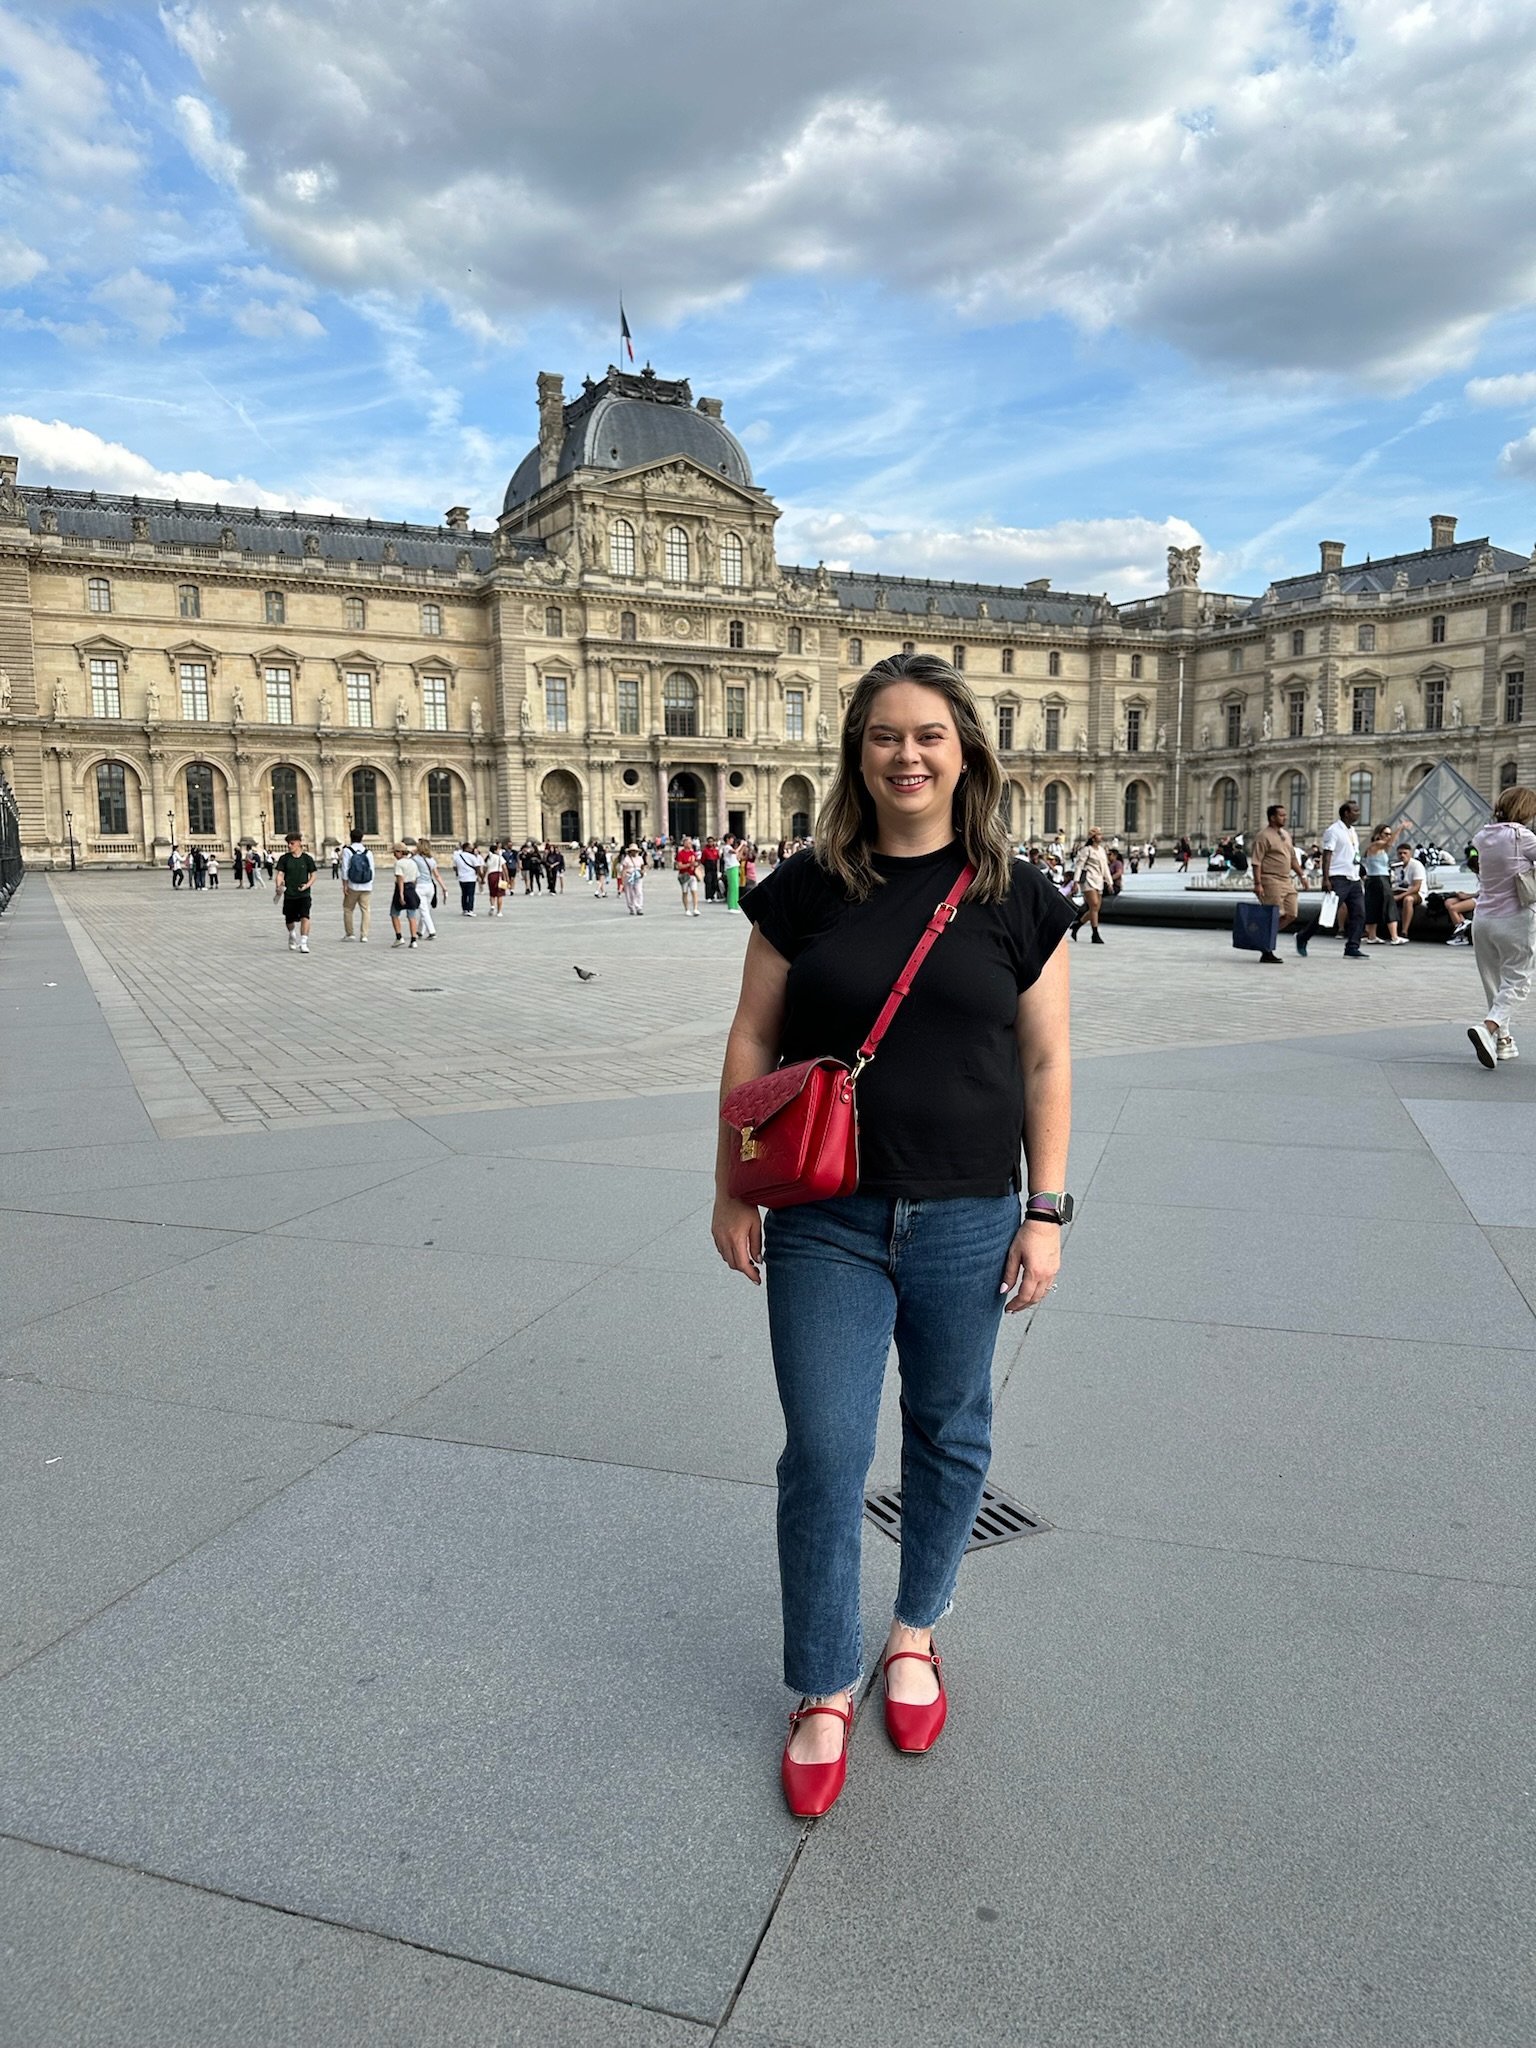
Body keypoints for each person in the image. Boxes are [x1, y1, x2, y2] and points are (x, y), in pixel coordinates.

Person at [712, 651, 1073, 1819]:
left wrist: (1047, 1207)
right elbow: (750, 1042)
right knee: (822, 1450)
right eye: (883, 735)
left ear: (967, 749)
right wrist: (732, 1186)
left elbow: (1046, 1058)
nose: (906, 755)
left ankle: (915, 1631)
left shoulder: (1018, 894)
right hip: (824, 1212)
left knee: (947, 1430)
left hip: (971, 1211)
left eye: (927, 735)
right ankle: (824, 1682)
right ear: (854, 751)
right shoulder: (808, 884)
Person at [1466, 786, 1536, 1067]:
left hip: (1482, 919)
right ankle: (1490, 1026)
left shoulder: (1482, 836)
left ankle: (1503, 1041)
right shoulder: (1523, 837)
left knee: (1493, 981)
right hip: (1516, 918)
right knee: (1518, 980)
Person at [1250, 802, 1308, 961]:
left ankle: (1263, 937)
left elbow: (1293, 858)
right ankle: (1266, 950)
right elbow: (1256, 861)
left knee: (1291, 913)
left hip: (1286, 880)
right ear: (1272, 817)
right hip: (1270, 879)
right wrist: (1258, 884)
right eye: (1281, 815)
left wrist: (1302, 876)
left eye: (1285, 814)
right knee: (1274, 914)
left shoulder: (1286, 835)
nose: (1285, 817)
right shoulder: (1263, 836)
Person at [1321, 799, 1367, 960]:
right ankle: (1303, 936)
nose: (1358, 813)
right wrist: (1325, 878)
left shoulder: (1352, 830)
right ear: (1346, 813)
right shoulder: (1333, 831)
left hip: (1353, 878)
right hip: (1338, 877)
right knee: (1328, 912)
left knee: (1359, 913)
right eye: (1355, 810)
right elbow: (1326, 855)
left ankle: (1352, 947)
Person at [274, 831, 316, 952]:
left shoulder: (307, 859)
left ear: (299, 843)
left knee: (305, 916)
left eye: (291, 843)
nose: (289, 846)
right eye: (288, 843)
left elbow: (313, 875)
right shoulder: (284, 859)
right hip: (289, 894)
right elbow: (280, 874)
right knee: (289, 920)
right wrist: (278, 886)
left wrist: (307, 885)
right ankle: (292, 934)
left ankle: (304, 942)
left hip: (304, 894)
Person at [1070, 828, 1112, 943]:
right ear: (1093, 838)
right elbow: (1079, 866)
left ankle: (1077, 925)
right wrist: (1075, 881)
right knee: (1094, 905)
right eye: (1098, 834)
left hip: (1099, 881)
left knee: (1096, 909)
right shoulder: (1086, 850)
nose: (1101, 836)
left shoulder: (1101, 851)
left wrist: (1109, 881)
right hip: (1088, 881)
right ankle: (1095, 934)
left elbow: (1105, 868)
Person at [341, 832, 375, 941]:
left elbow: (345, 869)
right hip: (366, 886)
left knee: (348, 909)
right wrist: (370, 883)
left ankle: (350, 934)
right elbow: (372, 870)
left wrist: (345, 885)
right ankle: (364, 935)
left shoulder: (347, 851)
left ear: (351, 838)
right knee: (365, 910)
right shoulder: (368, 852)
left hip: (353, 885)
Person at [388, 842, 422, 949]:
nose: (394, 855)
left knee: (394, 913)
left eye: (394, 852)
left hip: (401, 889)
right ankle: (413, 939)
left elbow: (400, 880)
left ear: (399, 852)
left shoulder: (399, 864)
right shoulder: (413, 863)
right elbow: (416, 879)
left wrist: (401, 894)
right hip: (411, 888)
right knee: (412, 915)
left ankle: (399, 937)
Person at [1393, 842, 1426, 940]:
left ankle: (1404, 931)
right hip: (1401, 890)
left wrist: (1399, 896)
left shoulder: (1417, 865)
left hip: (1417, 893)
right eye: (1400, 853)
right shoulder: (1396, 866)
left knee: (1408, 900)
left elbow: (1416, 887)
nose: (1402, 855)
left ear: (1410, 854)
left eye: (1405, 853)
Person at [413, 838, 442, 939]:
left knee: (423, 910)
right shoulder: (431, 860)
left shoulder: (415, 859)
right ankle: (420, 931)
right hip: (430, 887)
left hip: (420, 886)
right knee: (425, 909)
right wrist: (444, 887)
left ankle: (432, 932)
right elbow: (437, 875)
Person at [453, 841, 481, 915]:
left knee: (464, 894)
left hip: (462, 878)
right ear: (466, 848)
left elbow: (455, 867)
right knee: (471, 894)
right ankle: (470, 910)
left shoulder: (457, 856)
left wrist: (459, 872)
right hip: (471, 878)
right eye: (470, 847)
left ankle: (464, 909)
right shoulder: (472, 856)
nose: (472, 849)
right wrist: (479, 875)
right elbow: (477, 866)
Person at [618, 843, 646, 914]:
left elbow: (642, 866)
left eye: (635, 851)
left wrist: (642, 872)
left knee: (639, 892)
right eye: (633, 851)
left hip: (638, 876)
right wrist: (622, 880)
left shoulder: (640, 858)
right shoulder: (626, 859)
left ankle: (639, 907)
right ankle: (631, 907)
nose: (634, 852)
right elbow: (624, 869)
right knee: (629, 893)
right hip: (629, 876)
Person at [676, 836, 701, 916]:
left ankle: (695, 908)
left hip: (692, 875)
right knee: (685, 892)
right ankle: (686, 909)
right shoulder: (680, 854)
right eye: (689, 842)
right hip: (684, 875)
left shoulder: (692, 853)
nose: (691, 844)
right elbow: (679, 866)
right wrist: (689, 864)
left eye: (691, 842)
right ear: (684, 843)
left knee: (694, 892)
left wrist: (696, 864)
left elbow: (697, 862)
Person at [484, 841, 508, 917]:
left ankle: (492, 906)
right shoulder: (499, 857)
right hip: (499, 875)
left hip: (490, 876)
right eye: (498, 849)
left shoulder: (488, 858)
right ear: (495, 850)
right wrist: (507, 878)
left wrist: (482, 878)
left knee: (492, 893)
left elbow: (485, 869)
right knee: (499, 894)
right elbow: (504, 868)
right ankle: (499, 911)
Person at [722, 836, 742, 912]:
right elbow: (735, 851)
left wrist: (742, 846)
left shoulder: (729, 847)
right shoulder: (727, 847)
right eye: (732, 839)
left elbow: (737, 856)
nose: (733, 840)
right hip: (731, 868)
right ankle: (732, 906)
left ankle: (734, 905)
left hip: (734, 867)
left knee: (735, 887)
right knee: (733, 887)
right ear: (728, 839)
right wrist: (741, 845)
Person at [702, 836, 721, 903]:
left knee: (714, 882)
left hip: (714, 867)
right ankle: (708, 896)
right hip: (708, 868)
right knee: (708, 882)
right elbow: (703, 860)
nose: (711, 843)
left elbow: (718, 858)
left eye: (712, 841)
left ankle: (713, 896)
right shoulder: (705, 850)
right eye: (709, 842)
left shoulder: (715, 850)